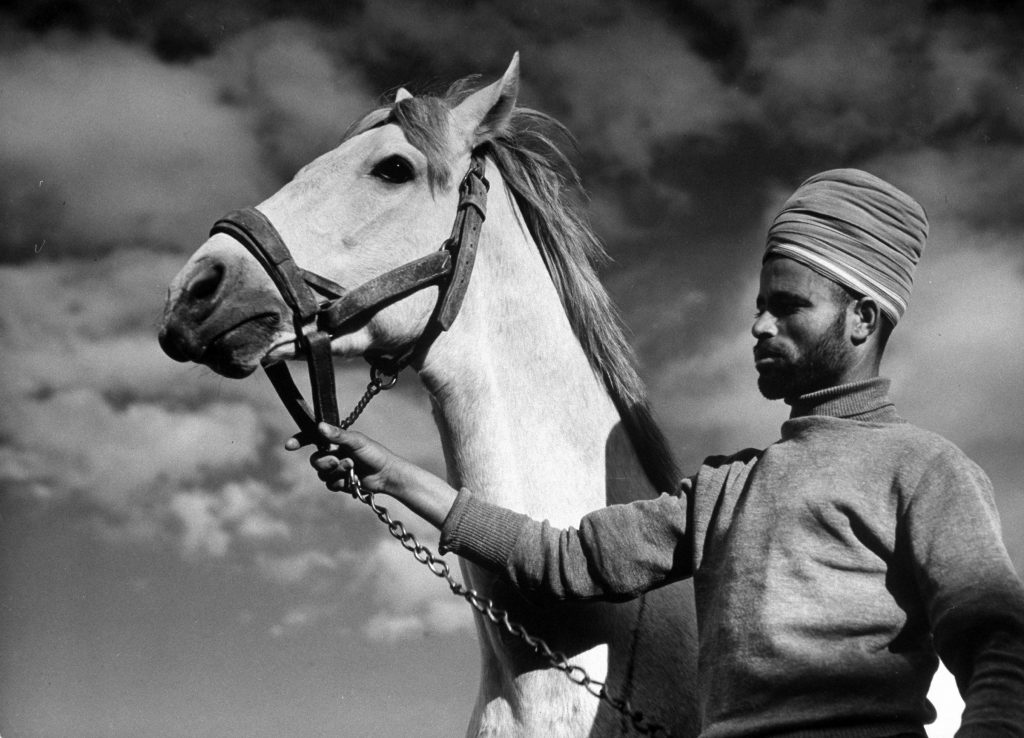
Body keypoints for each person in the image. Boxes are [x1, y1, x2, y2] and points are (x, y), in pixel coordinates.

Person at [288, 169, 1024, 736]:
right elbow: (563, 560)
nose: (759, 327)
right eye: (759, 306)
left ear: (862, 318)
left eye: (788, 306)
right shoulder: (725, 489)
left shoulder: (924, 468)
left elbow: (997, 642)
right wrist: (393, 476)